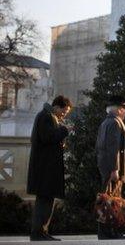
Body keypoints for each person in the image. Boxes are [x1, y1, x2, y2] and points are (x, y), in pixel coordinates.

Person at [27, 95, 72, 241]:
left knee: (47, 200)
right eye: (64, 111)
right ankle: (38, 232)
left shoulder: (49, 117)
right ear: (57, 107)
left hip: (47, 168)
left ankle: (42, 231)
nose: (64, 115)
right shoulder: (46, 117)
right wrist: (64, 130)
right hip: (44, 169)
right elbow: (48, 138)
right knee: (44, 200)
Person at [96, 95, 125, 240]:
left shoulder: (106, 122)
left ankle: (110, 232)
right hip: (112, 169)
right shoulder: (115, 123)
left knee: (108, 201)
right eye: (124, 109)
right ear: (119, 109)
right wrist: (114, 169)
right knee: (111, 202)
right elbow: (113, 148)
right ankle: (109, 232)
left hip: (106, 167)